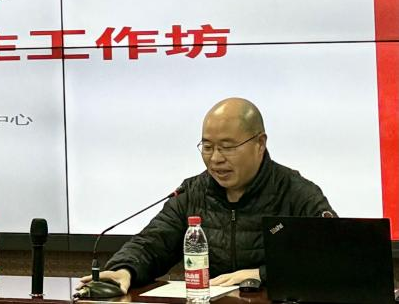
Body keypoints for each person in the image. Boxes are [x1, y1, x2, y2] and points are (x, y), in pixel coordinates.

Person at [78, 97, 334, 294]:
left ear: (260, 143)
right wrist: (124, 269)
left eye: (227, 147)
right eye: (208, 147)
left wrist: (261, 274)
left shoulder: (296, 193)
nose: (216, 159)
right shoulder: (192, 193)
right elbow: (153, 242)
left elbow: (332, 259)